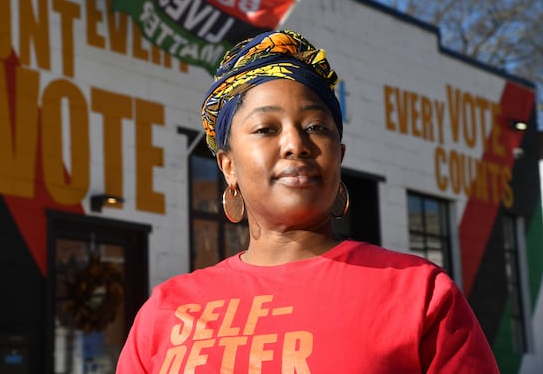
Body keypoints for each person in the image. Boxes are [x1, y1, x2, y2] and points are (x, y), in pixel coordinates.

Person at [116, 30, 500, 373]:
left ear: (339, 155)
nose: (296, 145)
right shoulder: (165, 311)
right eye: (266, 129)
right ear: (228, 165)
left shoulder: (420, 294)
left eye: (316, 127)